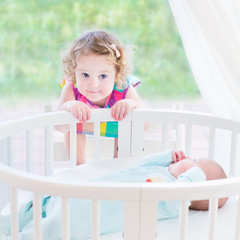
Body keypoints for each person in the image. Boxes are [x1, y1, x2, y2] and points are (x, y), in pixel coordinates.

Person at [1, 150, 228, 240]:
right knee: (38, 204)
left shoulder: (172, 199)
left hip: (85, 214)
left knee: (48, 230)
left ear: (194, 180)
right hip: (76, 194)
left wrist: (196, 174)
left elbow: (183, 191)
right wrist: (167, 156)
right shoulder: (160, 171)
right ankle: (9, 224)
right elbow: (142, 162)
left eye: (196, 161)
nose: (190, 157)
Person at [56, 30, 143, 165]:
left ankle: (118, 167)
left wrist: (131, 103)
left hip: (116, 126)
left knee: (128, 128)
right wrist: (68, 106)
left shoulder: (123, 89)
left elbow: (146, 122)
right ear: (74, 71)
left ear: (116, 74)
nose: (93, 85)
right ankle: (79, 167)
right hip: (84, 125)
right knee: (72, 125)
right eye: (85, 75)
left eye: (103, 76)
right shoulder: (71, 90)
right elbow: (60, 127)